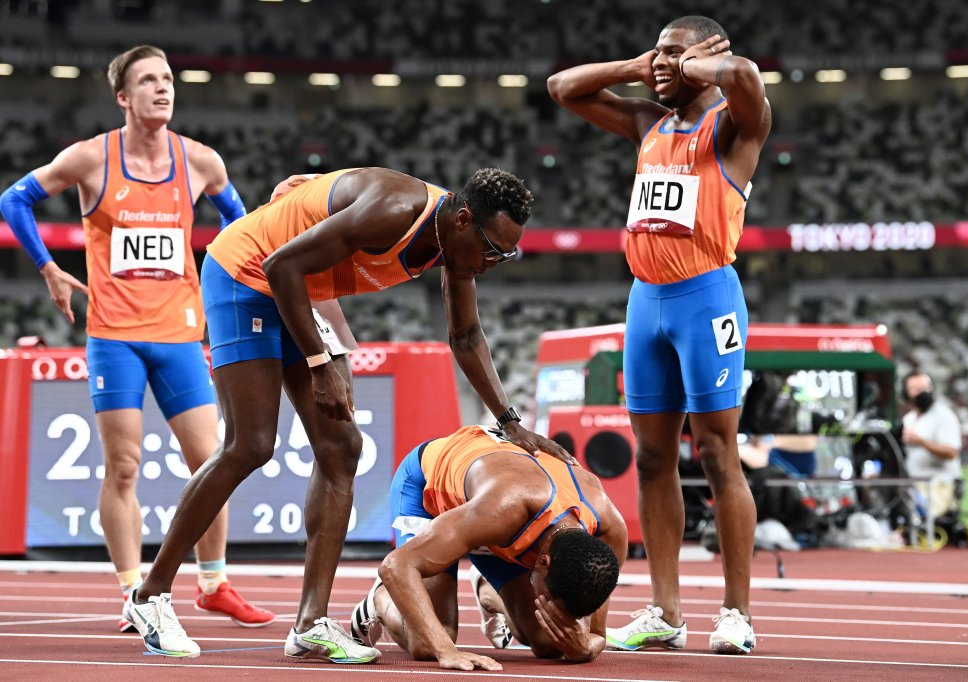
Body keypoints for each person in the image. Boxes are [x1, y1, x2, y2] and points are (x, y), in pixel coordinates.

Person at [123, 166, 575, 662]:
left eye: (505, 254)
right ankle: (150, 597)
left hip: (302, 287)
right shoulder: (395, 211)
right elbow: (280, 267)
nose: (493, 263)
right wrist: (319, 363)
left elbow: (466, 336)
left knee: (342, 448)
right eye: (493, 248)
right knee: (251, 444)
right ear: (465, 218)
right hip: (249, 272)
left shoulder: (459, 247)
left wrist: (510, 421)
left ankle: (310, 623)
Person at [0, 45, 272, 630]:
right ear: (123, 97)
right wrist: (48, 266)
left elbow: (243, 226)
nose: (162, 89)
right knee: (123, 466)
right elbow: (13, 199)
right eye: (147, 80)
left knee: (213, 459)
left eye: (168, 79)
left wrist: (227, 280)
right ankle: (133, 592)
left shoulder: (200, 162)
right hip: (114, 336)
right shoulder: (89, 158)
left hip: (178, 335)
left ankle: (213, 582)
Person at [548, 15, 771, 654]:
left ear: (706, 57)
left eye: (677, 55)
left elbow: (745, 76)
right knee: (651, 457)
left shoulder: (733, 125)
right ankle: (665, 611)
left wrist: (695, 65)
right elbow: (562, 87)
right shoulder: (649, 121)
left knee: (717, 452)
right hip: (646, 301)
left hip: (706, 297)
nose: (663, 64)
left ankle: (736, 613)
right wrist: (642, 65)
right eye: (659, 55)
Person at [347, 424, 625, 671]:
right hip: (428, 490)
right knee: (426, 644)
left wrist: (585, 647)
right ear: (543, 563)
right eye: (552, 600)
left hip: (498, 518)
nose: (555, 611)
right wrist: (446, 651)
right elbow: (397, 565)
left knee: (550, 642)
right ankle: (380, 600)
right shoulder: (504, 508)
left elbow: (594, 634)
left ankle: (487, 589)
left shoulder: (608, 534)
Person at [901, 371, 962, 517]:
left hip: (939, 486)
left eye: (925, 387)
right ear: (906, 393)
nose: (922, 392)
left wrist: (921, 441)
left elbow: (951, 452)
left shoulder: (944, 415)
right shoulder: (909, 419)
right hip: (915, 486)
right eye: (916, 389)